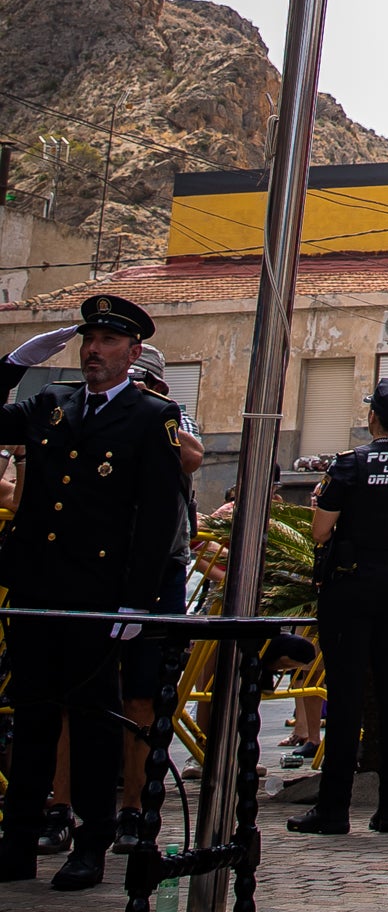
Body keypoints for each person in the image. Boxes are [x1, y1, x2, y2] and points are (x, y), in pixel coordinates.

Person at [0, 292, 187, 889]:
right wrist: (13, 366)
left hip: (96, 591)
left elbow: (158, 515)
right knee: (32, 717)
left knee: (92, 720)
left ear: (133, 353)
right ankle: (18, 842)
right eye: (88, 341)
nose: (93, 352)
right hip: (36, 583)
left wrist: (137, 599)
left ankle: (91, 841)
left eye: (107, 343)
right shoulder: (50, 403)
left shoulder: (149, 415)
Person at [285, 378, 388, 838]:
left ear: (372, 416)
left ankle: (334, 809)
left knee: (347, 694)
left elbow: (319, 533)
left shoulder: (351, 464)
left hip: (351, 585)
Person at [112, 347, 205, 853]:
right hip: (100, 566)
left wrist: (149, 403)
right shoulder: (93, 410)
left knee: (144, 693)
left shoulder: (171, 416)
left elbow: (192, 456)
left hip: (158, 568)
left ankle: (134, 804)